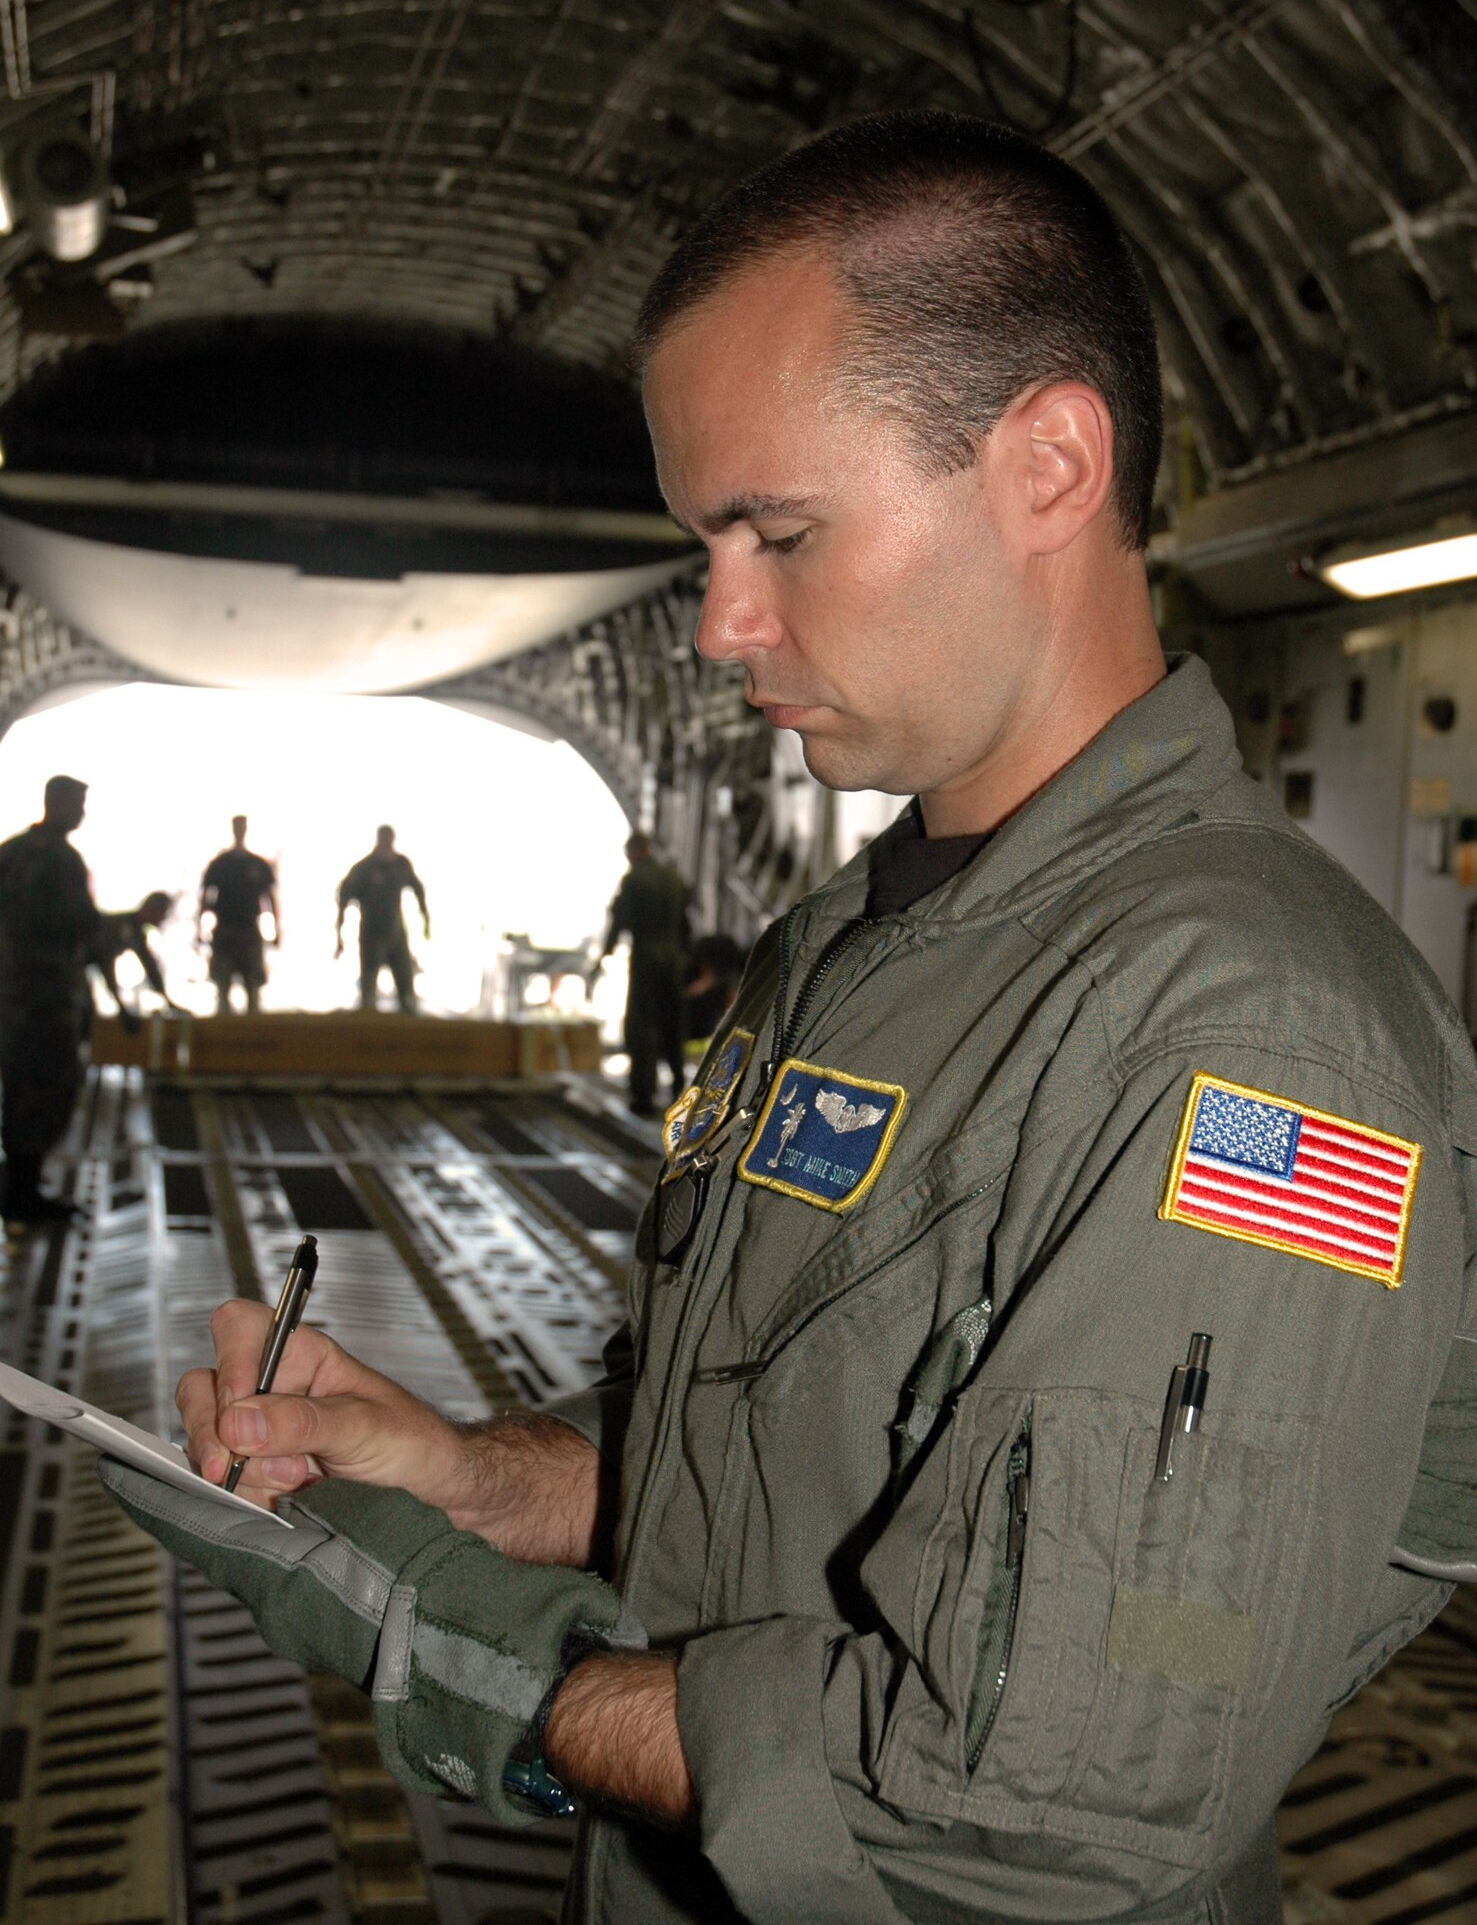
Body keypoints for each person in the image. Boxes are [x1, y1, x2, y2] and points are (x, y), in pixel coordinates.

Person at [111, 113, 1477, 1925]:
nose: (716, 624)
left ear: (1049, 464)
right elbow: (795, 1478)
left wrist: (461, 1649)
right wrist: (476, 1478)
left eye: (779, 530)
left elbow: (1026, 1807)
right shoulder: (847, 949)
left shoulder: (1245, 1048)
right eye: (703, 543)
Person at [0, 774, 97, 1220]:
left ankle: (19, 1185)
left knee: (20, 1091)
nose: (81, 812)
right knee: (44, 1092)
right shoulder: (59, 861)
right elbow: (78, 925)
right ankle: (23, 1192)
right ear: (56, 803)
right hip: (44, 1000)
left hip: (13, 997)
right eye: (78, 804)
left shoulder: (11, 853)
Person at [602, 832, 690, 1115]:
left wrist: (606, 952)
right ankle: (679, 1088)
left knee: (641, 1029)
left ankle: (643, 1094)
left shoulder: (633, 880)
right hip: (672, 961)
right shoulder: (673, 879)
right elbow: (685, 923)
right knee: (672, 1027)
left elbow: (620, 920)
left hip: (645, 961)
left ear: (632, 853)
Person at [335, 825, 430, 1013]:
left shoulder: (401, 864)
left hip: (396, 932)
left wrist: (426, 920)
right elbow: (343, 898)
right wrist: (339, 936)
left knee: (405, 986)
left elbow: (418, 890)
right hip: (371, 933)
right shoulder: (364, 868)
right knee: (368, 989)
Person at [197, 816, 278, 1014]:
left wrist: (276, 931)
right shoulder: (220, 865)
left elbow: (269, 899)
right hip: (225, 930)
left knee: (253, 987)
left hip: (249, 930)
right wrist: (199, 929)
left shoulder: (257, 865)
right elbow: (206, 898)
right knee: (222, 987)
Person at [92, 891, 182, 1029]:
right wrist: (121, 1008)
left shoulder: (134, 929)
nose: (163, 918)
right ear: (152, 910)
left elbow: (149, 966)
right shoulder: (123, 927)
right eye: (163, 913)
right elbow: (105, 963)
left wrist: (166, 999)